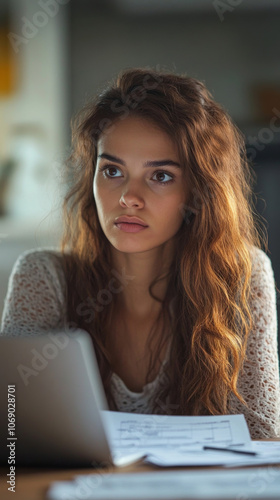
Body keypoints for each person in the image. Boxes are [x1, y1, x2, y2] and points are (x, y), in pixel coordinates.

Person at [1, 67, 279, 439]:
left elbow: (261, 437)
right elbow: (12, 436)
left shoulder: (242, 276)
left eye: (160, 175)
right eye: (112, 170)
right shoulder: (43, 279)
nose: (128, 197)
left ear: (197, 193)